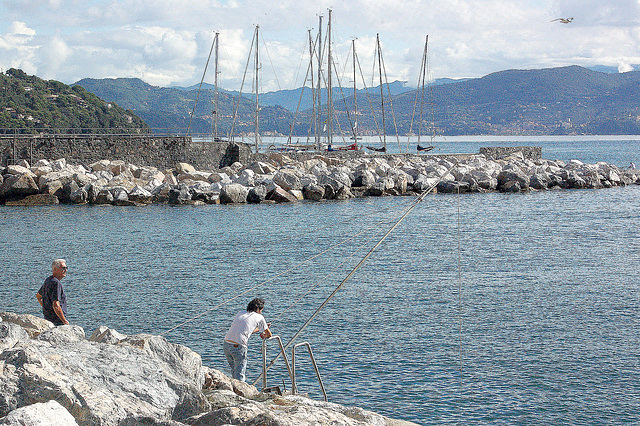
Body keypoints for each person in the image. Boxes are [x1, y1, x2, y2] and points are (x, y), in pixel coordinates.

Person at [223, 298, 272, 382]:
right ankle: (240, 392)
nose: (261, 312)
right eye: (261, 310)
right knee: (240, 374)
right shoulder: (259, 317)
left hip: (226, 344)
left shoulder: (240, 313)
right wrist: (264, 334)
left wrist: (260, 329)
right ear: (258, 309)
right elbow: (269, 334)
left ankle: (234, 389)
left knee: (234, 370)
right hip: (238, 346)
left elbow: (247, 329)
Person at [36, 259, 69, 325]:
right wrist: (64, 321)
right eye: (63, 268)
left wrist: (46, 308)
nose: (66, 270)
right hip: (57, 321)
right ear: (55, 269)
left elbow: (38, 296)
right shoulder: (56, 283)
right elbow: (56, 305)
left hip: (48, 320)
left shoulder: (48, 280)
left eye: (66, 268)